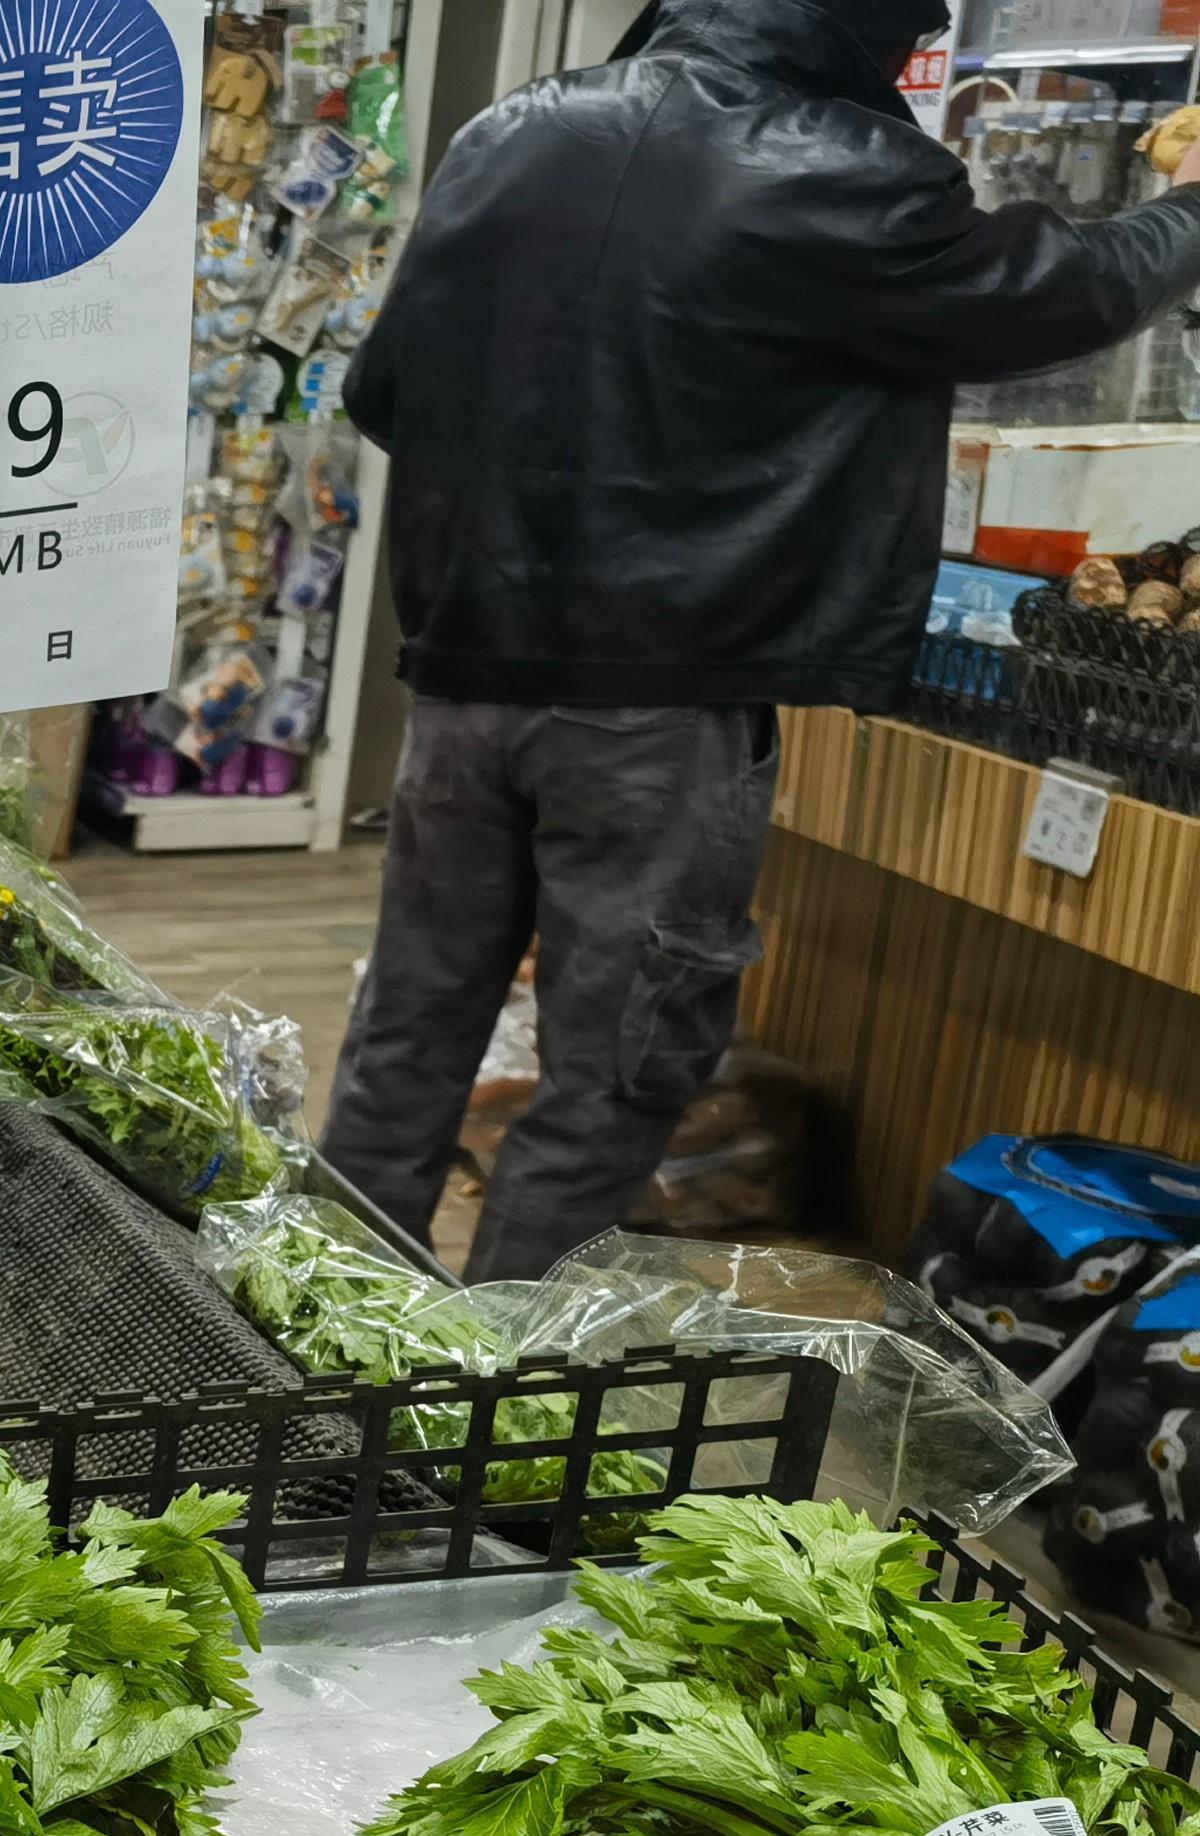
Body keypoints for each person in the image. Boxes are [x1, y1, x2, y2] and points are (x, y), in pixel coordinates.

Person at [319, 0, 1200, 1280]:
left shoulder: (507, 130)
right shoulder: (838, 168)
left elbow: (382, 389)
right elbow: (1064, 291)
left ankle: (309, 1355)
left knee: (405, 1042)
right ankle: (472, 1408)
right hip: (661, 702)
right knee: (614, 1073)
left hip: (459, 675)